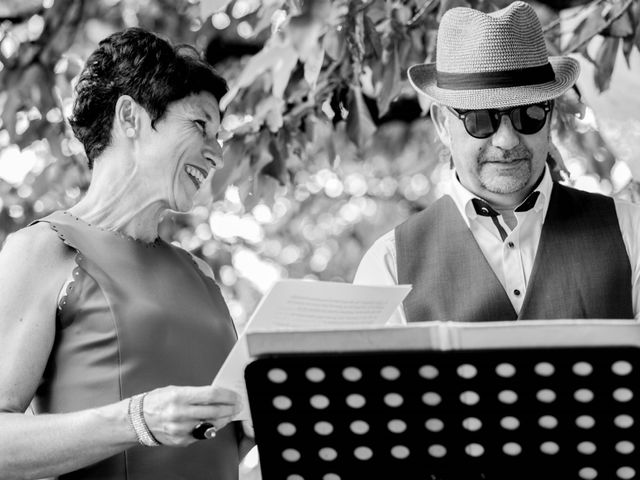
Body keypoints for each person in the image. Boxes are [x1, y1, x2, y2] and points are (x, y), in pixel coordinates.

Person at [0, 28, 251, 479]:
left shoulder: (199, 272)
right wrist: (137, 420)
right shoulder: (45, 248)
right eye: (200, 126)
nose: (216, 152)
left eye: (220, 135)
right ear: (129, 117)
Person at [354, 1, 640, 324]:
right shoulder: (388, 267)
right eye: (480, 119)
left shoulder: (632, 234)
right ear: (442, 123)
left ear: (549, 115)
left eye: (528, 114)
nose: (507, 140)